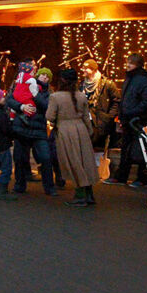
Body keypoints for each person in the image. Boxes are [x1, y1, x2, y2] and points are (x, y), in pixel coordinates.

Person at [48, 68, 99, 207]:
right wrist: (89, 132)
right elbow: (86, 117)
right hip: (81, 129)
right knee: (85, 161)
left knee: (73, 162)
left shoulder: (55, 97)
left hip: (65, 131)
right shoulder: (81, 96)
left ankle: (80, 196)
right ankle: (89, 194)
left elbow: (50, 116)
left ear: (62, 80)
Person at [106, 54, 147, 187]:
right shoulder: (131, 78)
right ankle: (122, 176)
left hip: (139, 119)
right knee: (127, 148)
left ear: (137, 65)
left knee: (141, 148)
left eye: (131, 63)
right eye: (128, 62)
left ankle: (141, 177)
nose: (128, 65)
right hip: (130, 119)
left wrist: (131, 112)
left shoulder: (141, 80)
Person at [8, 66, 57, 196]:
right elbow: (10, 100)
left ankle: (49, 187)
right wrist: (21, 106)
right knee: (19, 159)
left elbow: (46, 106)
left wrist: (35, 95)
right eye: (43, 75)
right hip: (21, 128)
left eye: (47, 76)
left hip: (39, 130)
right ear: (37, 76)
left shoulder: (49, 93)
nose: (45, 78)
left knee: (46, 158)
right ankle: (19, 185)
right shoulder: (24, 85)